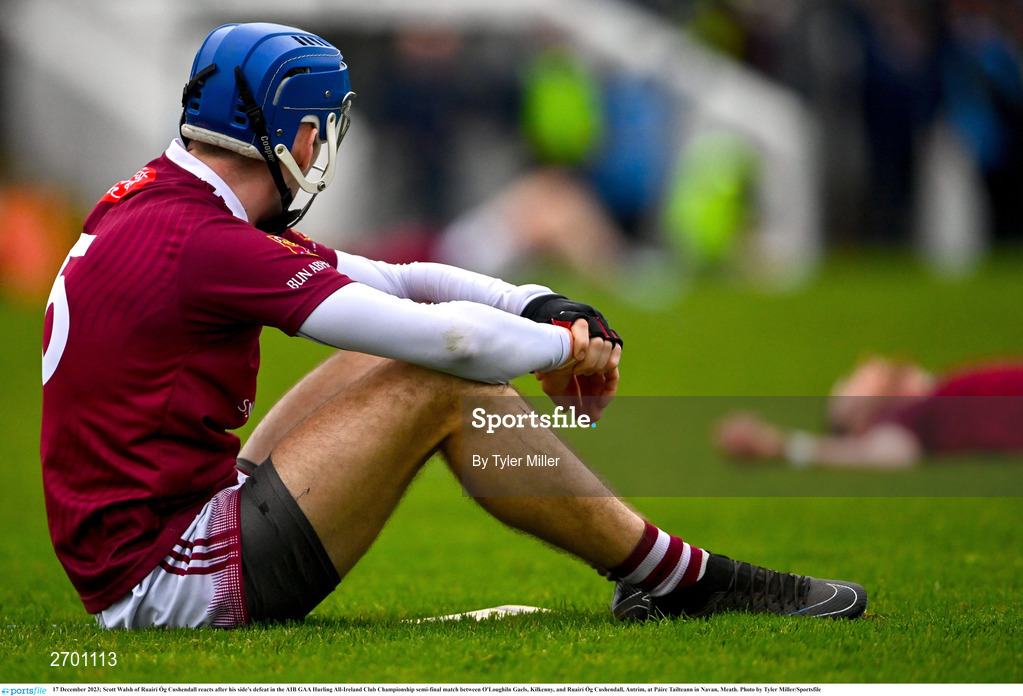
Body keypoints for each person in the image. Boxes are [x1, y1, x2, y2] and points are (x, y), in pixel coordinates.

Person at [40, 22, 866, 629]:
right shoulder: (206, 240)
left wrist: (540, 305)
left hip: (162, 537)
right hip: (171, 577)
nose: (321, 148)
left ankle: (657, 574)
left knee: (404, 357)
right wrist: (564, 353)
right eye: (320, 130)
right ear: (289, 132)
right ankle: (681, 577)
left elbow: (397, 280)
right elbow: (454, 344)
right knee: (441, 380)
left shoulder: (168, 204)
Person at [716, 356, 1023, 469]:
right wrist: (781, 446)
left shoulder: (936, 391)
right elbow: (889, 455)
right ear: (862, 418)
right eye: (855, 380)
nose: (866, 363)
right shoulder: (909, 415)